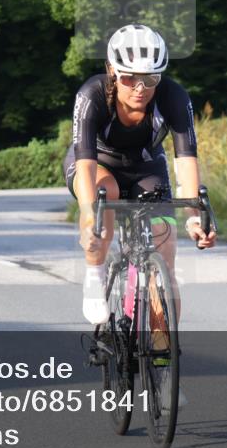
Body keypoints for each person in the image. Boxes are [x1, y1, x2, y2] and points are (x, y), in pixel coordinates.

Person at [64, 23, 217, 327]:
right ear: (112, 70)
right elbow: (85, 165)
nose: (140, 87)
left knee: (166, 257)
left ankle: (160, 355)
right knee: (106, 191)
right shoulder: (92, 94)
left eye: (150, 78)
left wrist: (193, 217)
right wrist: (88, 218)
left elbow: (186, 160)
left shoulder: (173, 96)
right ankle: (94, 275)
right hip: (97, 163)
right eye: (129, 77)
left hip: (147, 167)